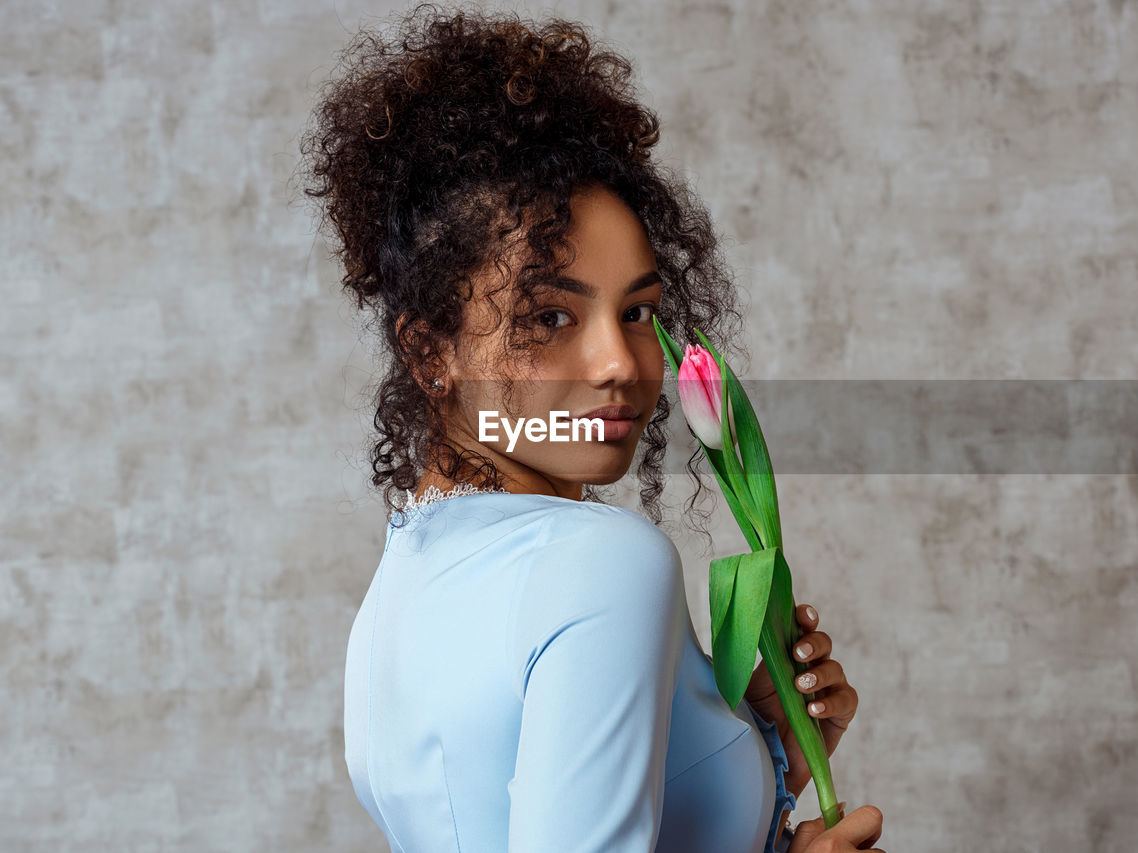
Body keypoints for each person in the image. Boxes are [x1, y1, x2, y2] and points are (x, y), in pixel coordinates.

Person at [296, 4, 885, 851]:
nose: (618, 360)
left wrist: (757, 754)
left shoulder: (393, 601)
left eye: (639, 310)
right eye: (548, 317)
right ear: (434, 353)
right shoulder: (601, 561)